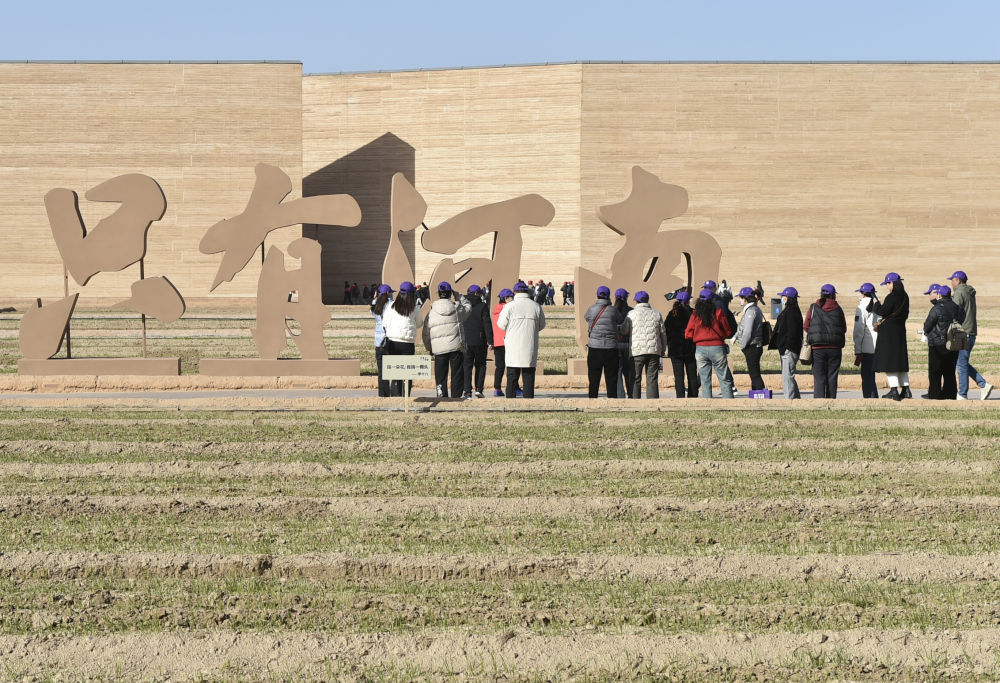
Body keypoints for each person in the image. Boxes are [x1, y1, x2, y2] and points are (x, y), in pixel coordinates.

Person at [949, 270, 994, 400]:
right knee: (962, 363)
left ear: (958, 280)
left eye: (952, 280)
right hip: (971, 332)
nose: (951, 282)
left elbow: (954, 311)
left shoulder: (959, 292)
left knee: (961, 365)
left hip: (963, 332)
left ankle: (962, 394)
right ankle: (983, 384)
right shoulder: (969, 292)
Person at [422, 281, 471, 398]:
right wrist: (458, 295)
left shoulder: (432, 311)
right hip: (455, 346)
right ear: (450, 293)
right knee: (457, 374)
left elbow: (426, 333)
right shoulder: (457, 309)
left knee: (440, 375)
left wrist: (429, 348)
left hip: (438, 348)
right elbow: (468, 307)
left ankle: (441, 395)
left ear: (438, 293)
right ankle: (456, 396)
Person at [498, 281, 545, 398]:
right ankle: (528, 402)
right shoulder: (536, 306)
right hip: (529, 345)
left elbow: (501, 325)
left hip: (513, 346)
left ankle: (510, 401)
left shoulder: (509, 306)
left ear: (514, 292)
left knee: (512, 376)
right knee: (528, 376)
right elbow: (542, 325)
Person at [685, 288, 735, 398]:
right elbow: (727, 331)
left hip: (700, 349)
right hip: (717, 348)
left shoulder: (695, 315)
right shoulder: (718, 313)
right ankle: (729, 403)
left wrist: (697, 336)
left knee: (704, 380)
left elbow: (688, 333)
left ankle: (707, 405)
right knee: (724, 378)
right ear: (712, 300)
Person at [803, 284, 847, 399]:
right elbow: (844, 328)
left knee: (819, 377)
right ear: (833, 295)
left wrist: (816, 334)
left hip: (817, 347)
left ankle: (819, 401)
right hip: (835, 348)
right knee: (832, 376)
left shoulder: (813, 307)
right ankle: (831, 400)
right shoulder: (838, 308)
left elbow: (806, 326)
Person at [872, 272, 911, 401]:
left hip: (889, 333)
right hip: (900, 331)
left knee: (890, 362)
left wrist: (876, 304)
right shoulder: (905, 296)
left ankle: (894, 390)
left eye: (888, 283)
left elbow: (883, 311)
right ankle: (906, 389)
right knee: (900, 362)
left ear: (893, 283)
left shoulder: (891, 297)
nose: (887, 286)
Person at [620, 290, 665, 398]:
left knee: (635, 378)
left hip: (636, 351)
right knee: (652, 378)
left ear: (636, 301)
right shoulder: (656, 313)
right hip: (654, 351)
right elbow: (663, 333)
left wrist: (618, 328)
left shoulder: (631, 314)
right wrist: (663, 348)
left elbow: (625, 331)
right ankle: (652, 403)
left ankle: (636, 401)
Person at [381, 281, 423, 397]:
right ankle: (406, 398)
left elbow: (384, 323)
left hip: (393, 342)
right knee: (407, 373)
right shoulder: (415, 308)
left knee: (395, 372)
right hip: (408, 343)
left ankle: (396, 397)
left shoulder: (391, 306)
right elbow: (419, 323)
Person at [923, 284, 965, 400]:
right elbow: (962, 319)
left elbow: (927, 325)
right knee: (950, 372)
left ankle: (935, 396)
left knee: (935, 373)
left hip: (937, 344)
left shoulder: (936, 309)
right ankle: (950, 396)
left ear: (940, 295)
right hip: (953, 343)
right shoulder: (957, 308)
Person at [584, 286, 624, 398]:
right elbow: (620, 320)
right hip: (611, 347)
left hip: (594, 347)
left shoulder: (591, 309)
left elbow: (586, 318)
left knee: (594, 378)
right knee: (611, 378)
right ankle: (612, 400)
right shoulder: (613, 310)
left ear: (597, 295)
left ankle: (592, 399)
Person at [769, 286, 803, 399]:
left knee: (787, 376)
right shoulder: (790, 310)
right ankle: (796, 399)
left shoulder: (792, 312)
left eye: (783, 296)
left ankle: (790, 399)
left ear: (788, 298)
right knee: (788, 375)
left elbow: (793, 333)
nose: (782, 298)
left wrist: (785, 347)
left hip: (790, 349)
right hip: (788, 348)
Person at [460, 284, 493, 398]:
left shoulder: (462, 305)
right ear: (476, 293)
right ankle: (479, 388)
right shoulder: (482, 306)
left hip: (465, 340)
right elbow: (487, 324)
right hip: (479, 340)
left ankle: (467, 391)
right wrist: (490, 341)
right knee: (481, 365)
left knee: (467, 366)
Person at [665, 291, 698, 398]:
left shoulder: (672, 313)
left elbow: (666, 330)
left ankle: (680, 397)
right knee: (692, 375)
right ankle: (693, 396)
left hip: (675, 349)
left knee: (679, 376)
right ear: (688, 301)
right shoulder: (693, 313)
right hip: (691, 348)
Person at [852, 283, 880, 399]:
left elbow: (859, 331)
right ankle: (874, 398)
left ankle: (870, 400)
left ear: (862, 293)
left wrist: (858, 350)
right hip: (877, 346)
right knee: (871, 377)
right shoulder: (878, 305)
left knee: (867, 377)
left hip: (866, 348)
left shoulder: (862, 307)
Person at [735, 286, 765, 391]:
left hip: (752, 346)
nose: (739, 300)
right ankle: (756, 394)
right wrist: (736, 336)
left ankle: (760, 394)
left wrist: (742, 345)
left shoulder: (751, 311)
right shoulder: (753, 309)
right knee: (754, 373)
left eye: (740, 298)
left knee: (754, 374)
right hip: (754, 345)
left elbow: (747, 331)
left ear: (745, 299)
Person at [491, 288, 520, 397]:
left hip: (498, 342)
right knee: (512, 366)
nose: (513, 299)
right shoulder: (509, 309)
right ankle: (514, 388)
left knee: (499, 367)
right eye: (511, 297)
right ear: (506, 298)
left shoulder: (496, 310)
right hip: (509, 341)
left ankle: (497, 388)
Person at [370, 284, 393, 397]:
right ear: (388, 294)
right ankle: (393, 393)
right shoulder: (391, 305)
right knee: (392, 370)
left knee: (381, 371)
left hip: (379, 342)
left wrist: (375, 298)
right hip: (390, 340)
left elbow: (372, 309)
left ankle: (382, 394)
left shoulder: (376, 307)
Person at [613, 288, 635, 398]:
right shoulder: (632, 311)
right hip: (628, 344)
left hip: (616, 344)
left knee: (618, 372)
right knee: (629, 372)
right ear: (627, 298)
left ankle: (620, 396)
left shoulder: (611, 311)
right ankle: (631, 394)